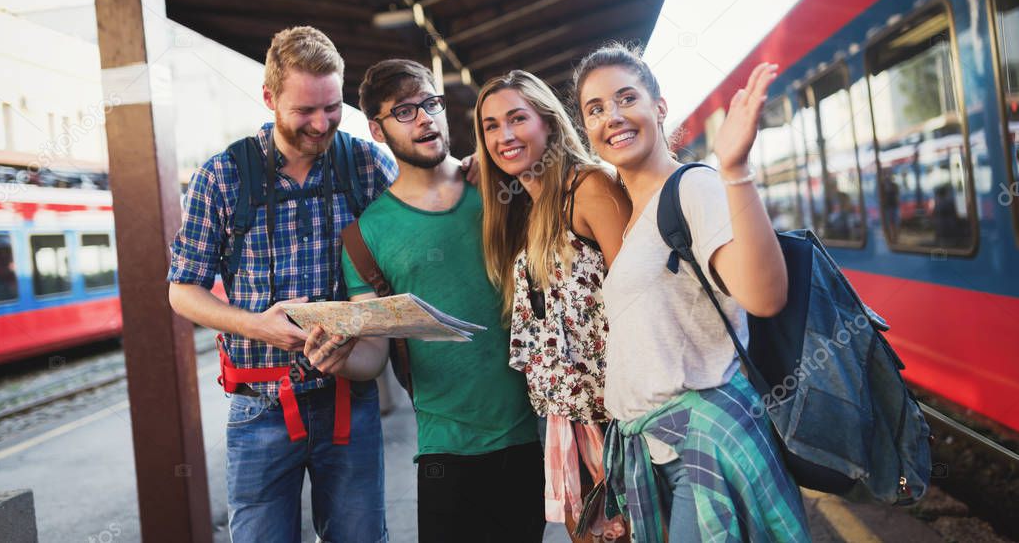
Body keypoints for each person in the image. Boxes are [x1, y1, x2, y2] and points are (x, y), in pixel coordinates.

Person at [573, 43, 811, 542]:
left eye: (626, 98)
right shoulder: (634, 216)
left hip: (703, 450)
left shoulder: (693, 187)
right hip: (657, 452)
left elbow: (765, 296)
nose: (612, 116)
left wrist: (735, 169)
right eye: (595, 109)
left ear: (659, 108)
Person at [167, 26, 396, 543]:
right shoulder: (221, 178)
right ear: (269, 97)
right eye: (305, 111)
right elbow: (182, 290)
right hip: (259, 409)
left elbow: (422, 211)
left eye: (332, 107)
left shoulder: (367, 165)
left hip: (349, 402)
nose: (322, 123)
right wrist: (257, 327)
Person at [304, 58, 544, 543]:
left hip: (530, 433)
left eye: (430, 103)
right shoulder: (363, 236)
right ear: (376, 129)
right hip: (442, 448)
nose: (426, 118)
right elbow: (372, 356)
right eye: (405, 111)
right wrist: (340, 358)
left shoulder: (502, 185)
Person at [473, 70, 630, 542]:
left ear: (549, 123)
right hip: (569, 418)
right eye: (491, 126)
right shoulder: (524, 209)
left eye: (517, 119)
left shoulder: (589, 187)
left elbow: (639, 297)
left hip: (618, 419)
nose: (504, 136)